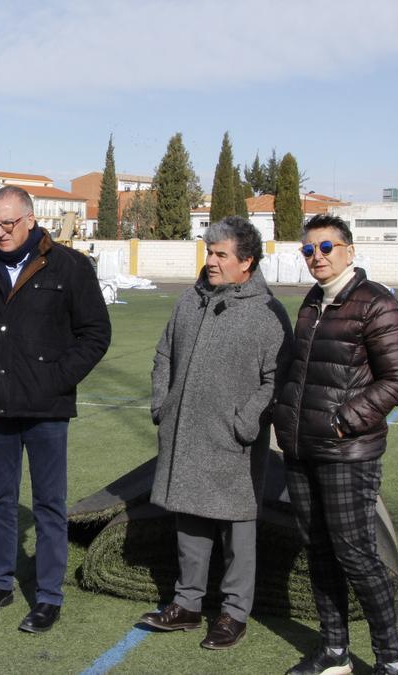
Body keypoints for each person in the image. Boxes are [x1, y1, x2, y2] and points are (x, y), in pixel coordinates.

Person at [0, 185, 111, 634]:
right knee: (0, 499)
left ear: (31, 220)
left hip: (47, 410)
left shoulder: (71, 267)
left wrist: (56, 379)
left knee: (48, 505)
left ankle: (47, 596)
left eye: (8, 223)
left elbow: (96, 334)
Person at [138, 216, 293, 650]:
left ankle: (233, 613)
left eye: (221, 254)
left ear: (247, 262)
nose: (211, 261)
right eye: (209, 252)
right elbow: (163, 354)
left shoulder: (268, 314)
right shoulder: (191, 300)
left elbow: (277, 378)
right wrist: (162, 404)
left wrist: (246, 422)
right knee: (189, 521)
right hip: (185, 434)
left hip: (234, 443)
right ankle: (187, 605)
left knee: (236, 532)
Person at [273, 214, 398, 675]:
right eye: (308, 250)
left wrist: (343, 421)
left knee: (356, 554)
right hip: (302, 449)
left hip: (347, 451)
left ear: (349, 251)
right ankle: (334, 651)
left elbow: (397, 379)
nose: (317, 257)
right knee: (317, 550)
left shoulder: (375, 303)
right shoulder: (312, 301)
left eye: (326, 247)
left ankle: (390, 661)